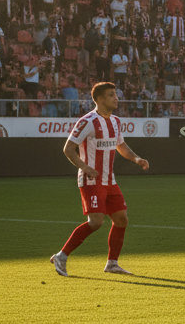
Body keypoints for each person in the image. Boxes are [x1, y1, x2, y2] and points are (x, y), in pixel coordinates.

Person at [50, 82, 150, 278]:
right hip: (91, 180)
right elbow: (68, 149)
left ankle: (112, 263)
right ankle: (61, 256)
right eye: (112, 95)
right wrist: (86, 168)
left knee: (121, 219)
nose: (116, 98)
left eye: (116, 94)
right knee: (96, 222)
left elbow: (121, 146)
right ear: (100, 99)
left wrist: (137, 158)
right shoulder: (87, 121)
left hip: (109, 180)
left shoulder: (115, 121)